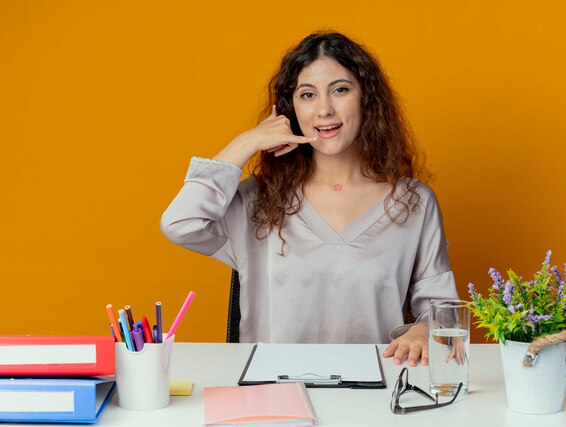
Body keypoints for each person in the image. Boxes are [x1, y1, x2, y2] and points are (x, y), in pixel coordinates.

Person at [160, 31, 459, 367]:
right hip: (273, 396)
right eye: (307, 95)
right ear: (291, 108)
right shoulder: (259, 199)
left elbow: (444, 313)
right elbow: (180, 223)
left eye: (340, 90)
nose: (324, 110)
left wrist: (424, 330)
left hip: (375, 396)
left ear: (366, 100)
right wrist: (245, 143)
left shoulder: (414, 203)